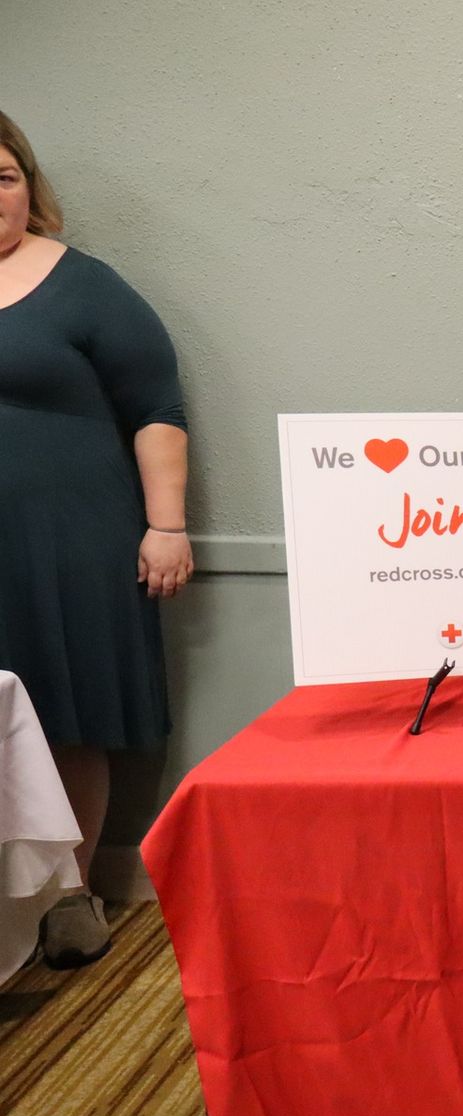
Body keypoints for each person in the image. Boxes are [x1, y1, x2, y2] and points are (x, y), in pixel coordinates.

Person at [0, 110, 193, 969]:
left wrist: (167, 525)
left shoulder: (87, 286)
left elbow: (157, 409)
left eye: (3, 178)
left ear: (30, 190)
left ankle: (71, 898)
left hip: (69, 541)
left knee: (65, 716)